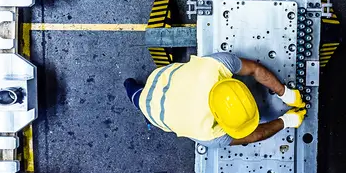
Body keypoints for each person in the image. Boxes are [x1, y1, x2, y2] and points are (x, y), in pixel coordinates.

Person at [124, 52, 307, 147]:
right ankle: (130, 88)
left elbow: (255, 70)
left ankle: (128, 84)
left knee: (133, 88)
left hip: (163, 76)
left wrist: (286, 95)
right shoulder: (206, 134)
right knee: (139, 98)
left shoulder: (214, 66)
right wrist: (288, 116)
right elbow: (255, 135)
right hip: (153, 109)